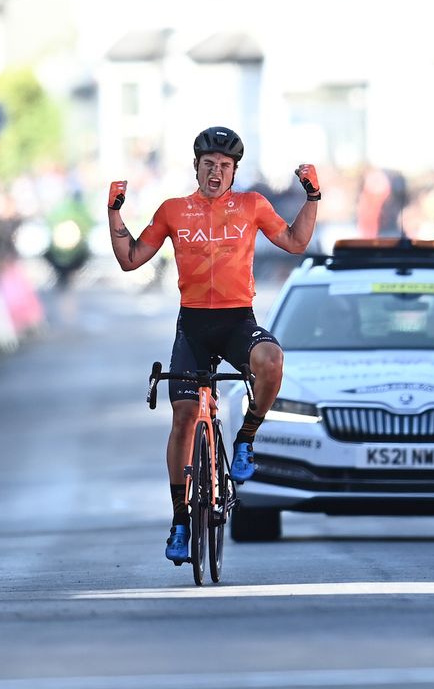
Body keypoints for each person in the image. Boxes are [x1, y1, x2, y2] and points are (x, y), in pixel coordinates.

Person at [106, 126, 319, 564]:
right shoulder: (173, 210)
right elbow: (130, 260)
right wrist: (113, 212)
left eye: (224, 166)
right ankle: (181, 521)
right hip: (194, 327)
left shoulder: (252, 206)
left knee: (272, 360)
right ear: (196, 167)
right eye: (209, 165)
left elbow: (296, 243)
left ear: (235, 170)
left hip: (238, 321)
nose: (216, 172)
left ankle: (245, 438)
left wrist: (312, 199)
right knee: (184, 416)